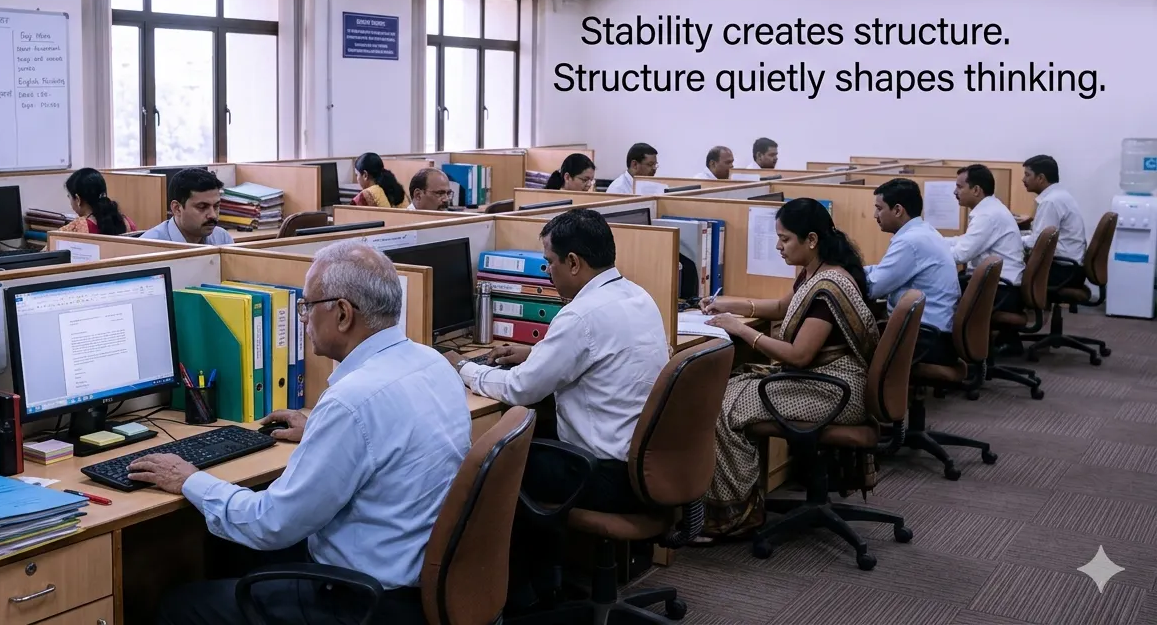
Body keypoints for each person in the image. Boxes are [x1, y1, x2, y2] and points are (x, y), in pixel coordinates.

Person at [134, 240, 470, 625]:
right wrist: (321, 431)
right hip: (420, 580)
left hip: (361, 602)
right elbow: (389, 441)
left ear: (342, 313)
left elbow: (269, 524)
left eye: (307, 306)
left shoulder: (352, 402)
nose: (303, 319)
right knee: (232, 551)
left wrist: (188, 479)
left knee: (181, 604)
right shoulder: (431, 362)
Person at [451, 208, 668, 605]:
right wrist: (538, 353)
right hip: (644, 467)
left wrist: (464, 368)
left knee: (493, 467)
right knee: (530, 442)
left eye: (549, 262)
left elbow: (521, 389)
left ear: (573, 262)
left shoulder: (581, 315)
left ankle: (518, 596)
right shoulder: (637, 296)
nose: (547, 272)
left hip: (604, 476)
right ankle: (544, 579)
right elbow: (596, 355)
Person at [699, 198, 878, 538]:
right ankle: (745, 497)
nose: (778, 247)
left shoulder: (828, 289)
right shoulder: (817, 270)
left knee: (721, 406)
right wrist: (728, 304)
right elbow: (784, 307)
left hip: (835, 391)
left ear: (811, 239)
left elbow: (798, 356)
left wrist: (742, 330)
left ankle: (738, 514)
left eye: (784, 239)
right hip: (824, 381)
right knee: (727, 387)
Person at [866, 178, 961, 365]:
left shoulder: (910, 242)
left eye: (879, 208)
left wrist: (841, 276)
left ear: (898, 210)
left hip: (926, 340)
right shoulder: (923, 231)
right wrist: (852, 269)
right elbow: (885, 270)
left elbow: (874, 288)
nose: (875, 215)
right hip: (935, 334)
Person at [951, 164, 1025, 293]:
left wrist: (931, 252)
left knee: (941, 291)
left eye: (960, 187)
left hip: (1000, 289)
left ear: (976, 190)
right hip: (998, 283)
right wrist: (937, 241)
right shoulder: (990, 208)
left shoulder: (987, 215)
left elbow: (960, 255)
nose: (955, 192)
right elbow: (967, 241)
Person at [1019, 154, 1087, 288]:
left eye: (1027, 175)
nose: (1023, 179)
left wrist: (1015, 239)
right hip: (1071, 268)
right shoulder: (1060, 195)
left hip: (1062, 271)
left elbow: (1037, 243)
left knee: (1010, 272)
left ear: (1040, 178)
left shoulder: (1050, 202)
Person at [140, 168, 233, 245]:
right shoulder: (149, 246)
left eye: (216, 206)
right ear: (177, 208)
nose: (213, 215)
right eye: (202, 207)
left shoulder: (222, 238)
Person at [61, 167, 137, 235]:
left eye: (69, 197)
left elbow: (55, 241)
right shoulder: (127, 222)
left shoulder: (77, 227)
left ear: (78, 200)